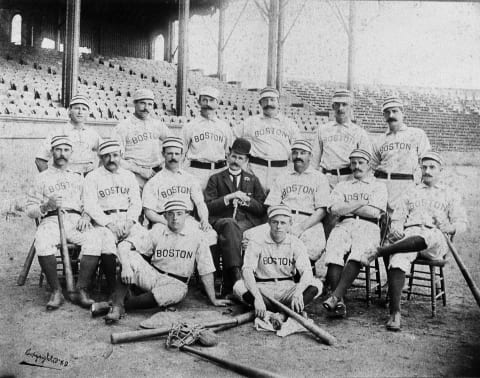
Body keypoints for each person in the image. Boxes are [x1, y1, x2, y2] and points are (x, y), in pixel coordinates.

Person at [360, 151, 467, 331]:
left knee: (427, 236)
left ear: (441, 170)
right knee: (397, 260)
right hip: (410, 235)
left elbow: (462, 222)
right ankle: (395, 313)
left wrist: (450, 228)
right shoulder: (411, 191)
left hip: (436, 238)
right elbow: (399, 218)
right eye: (424, 167)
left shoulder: (450, 194)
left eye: (432, 167)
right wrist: (397, 229)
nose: (427, 171)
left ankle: (380, 251)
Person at [92, 200, 231, 323]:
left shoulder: (197, 236)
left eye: (179, 213)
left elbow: (206, 269)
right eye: (171, 214)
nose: (175, 218)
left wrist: (213, 299)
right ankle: (117, 306)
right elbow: (124, 246)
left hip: (177, 283)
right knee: (130, 256)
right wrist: (126, 267)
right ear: (164, 216)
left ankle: (115, 305)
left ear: (186, 215)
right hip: (154, 275)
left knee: (169, 293)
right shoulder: (157, 230)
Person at [26, 136, 105, 310]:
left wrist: (86, 216)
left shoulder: (78, 178)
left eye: (66, 150)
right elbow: (30, 210)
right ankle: (56, 291)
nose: (62, 154)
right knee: (42, 240)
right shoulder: (42, 178)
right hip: (52, 219)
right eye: (58, 150)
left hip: (76, 219)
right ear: (52, 152)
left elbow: (89, 203)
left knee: (94, 239)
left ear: (71, 153)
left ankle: (81, 290)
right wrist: (46, 206)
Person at [321, 149, 388, 317]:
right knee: (334, 250)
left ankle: (335, 297)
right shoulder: (342, 185)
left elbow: (374, 212)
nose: (356, 167)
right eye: (353, 163)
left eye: (360, 163)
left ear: (369, 165)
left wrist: (348, 205)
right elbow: (335, 210)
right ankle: (340, 302)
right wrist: (361, 201)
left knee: (359, 251)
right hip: (344, 224)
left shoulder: (378, 186)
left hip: (368, 226)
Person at [233, 204, 323, 319]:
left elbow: (307, 271)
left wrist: (298, 293)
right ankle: (288, 312)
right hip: (263, 288)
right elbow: (247, 271)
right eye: (275, 222)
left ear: (290, 224)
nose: (278, 226)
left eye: (283, 223)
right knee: (238, 286)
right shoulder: (257, 240)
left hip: (287, 288)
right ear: (269, 223)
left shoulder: (295, 242)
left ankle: (279, 314)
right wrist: (257, 297)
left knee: (317, 284)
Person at [83, 139, 146, 300]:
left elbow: (136, 202)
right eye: (107, 156)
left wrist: (130, 221)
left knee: (144, 237)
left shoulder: (129, 175)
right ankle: (113, 288)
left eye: (115, 155)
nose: (111, 160)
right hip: (105, 220)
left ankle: (137, 284)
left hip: (127, 219)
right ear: (100, 158)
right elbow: (90, 205)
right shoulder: (92, 177)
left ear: (121, 156)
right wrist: (109, 224)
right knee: (106, 241)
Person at [204, 138, 266, 295]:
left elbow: (261, 209)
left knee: (234, 229)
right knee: (231, 225)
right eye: (233, 156)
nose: (235, 161)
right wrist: (229, 197)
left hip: (246, 222)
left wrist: (246, 201)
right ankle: (236, 277)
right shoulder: (215, 178)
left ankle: (230, 280)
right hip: (221, 221)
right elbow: (209, 207)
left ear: (246, 161)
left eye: (240, 158)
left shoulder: (252, 180)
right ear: (227, 156)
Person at [263, 139, 330, 277]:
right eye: (295, 153)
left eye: (303, 153)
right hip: (285, 218)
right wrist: (281, 222)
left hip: (310, 221)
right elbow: (271, 205)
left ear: (310, 156)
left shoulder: (319, 177)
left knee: (312, 245)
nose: (298, 156)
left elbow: (321, 210)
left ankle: (304, 276)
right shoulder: (282, 176)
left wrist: (301, 227)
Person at [142, 136, 217, 245]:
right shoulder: (154, 181)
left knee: (210, 235)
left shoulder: (190, 179)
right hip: (163, 220)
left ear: (182, 155)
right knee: (156, 236)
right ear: (163, 154)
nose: (173, 157)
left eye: (177, 154)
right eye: (170, 154)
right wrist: (167, 222)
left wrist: (204, 220)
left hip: (187, 219)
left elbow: (200, 203)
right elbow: (149, 211)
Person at [233, 87, 300, 192]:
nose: (269, 103)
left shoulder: (289, 123)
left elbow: (298, 146)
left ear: (278, 102)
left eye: (272, 100)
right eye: (265, 100)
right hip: (256, 168)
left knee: (277, 204)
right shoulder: (251, 121)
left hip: (280, 170)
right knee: (253, 204)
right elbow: (233, 135)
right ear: (260, 103)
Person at [371, 96, 431, 212]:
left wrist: (417, 183)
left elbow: (426, 160)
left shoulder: (417, 134)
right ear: (384, 116)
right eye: (387, 112)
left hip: (407, 185)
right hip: (384, 185)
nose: (391, 115)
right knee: (384, 223)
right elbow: (372, 167)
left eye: (395, 111)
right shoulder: (379, 139)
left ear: (403, 113)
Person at [311, 89, 371, 189]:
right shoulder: (323, 129)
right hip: (326, 179)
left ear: (351, 107)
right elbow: (314, 161)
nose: (340, 108)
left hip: (349, 178)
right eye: (337, 104)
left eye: (344, 104)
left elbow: (367, 164)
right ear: (333, 107)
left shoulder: (359, 132)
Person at [112, 88, 171, 189]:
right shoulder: (123, 126)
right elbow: (115, 157)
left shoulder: (158, 124)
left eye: (150, 104)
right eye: (142, 103)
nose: (146, 108)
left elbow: (173, 144)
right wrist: (140, 170)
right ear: (134, 103)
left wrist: (164, 163)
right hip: (134, 174)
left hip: (156, 173)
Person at [35, 95, 102, 175]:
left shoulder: (92, 133)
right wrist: (51, 179)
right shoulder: (58, 132)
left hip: (88, 178)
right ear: (69, 111)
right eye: (77, 108)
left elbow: (106, 153)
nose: (80, 112)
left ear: (88, 113)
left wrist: (98, 176)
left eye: (84, 109)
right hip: (67, 178)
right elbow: (40, 159)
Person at [183, 86, 233, 190]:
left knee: (217, 204)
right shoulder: (190, 126)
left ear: (217, 103)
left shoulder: (224, 126)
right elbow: (182, 152)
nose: (208, 104)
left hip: (219, 171)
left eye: (211, 100)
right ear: (199, 102)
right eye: (204, 100)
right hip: (196, 171)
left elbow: (229, 153)